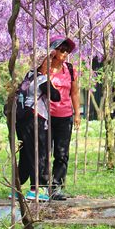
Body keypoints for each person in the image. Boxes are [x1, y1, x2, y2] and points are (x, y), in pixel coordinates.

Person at [14, 59, 61, 201]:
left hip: (22, 119)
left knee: (25, 154)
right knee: (39, 153)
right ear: (42, 63)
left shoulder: (28, 76)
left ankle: (17, 187)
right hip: (36, 119)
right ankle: (37, 188)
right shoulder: (42, 79)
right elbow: (56, 97)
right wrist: (51, 81)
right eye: (49, 62)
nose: (52, 65)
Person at [41, 36, 79, 201]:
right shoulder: (45, 67)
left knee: (62, 153)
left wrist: (77, 113)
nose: (65, 53)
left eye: (67, 50)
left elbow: (75, 93)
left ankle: (56, 186)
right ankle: (42, 186)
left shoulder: (70, 70)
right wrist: (48, 58)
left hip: (65, 117)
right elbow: (41, 78)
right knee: (44, 152)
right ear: (54, 50)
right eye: (62, 49)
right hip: (45, 115)